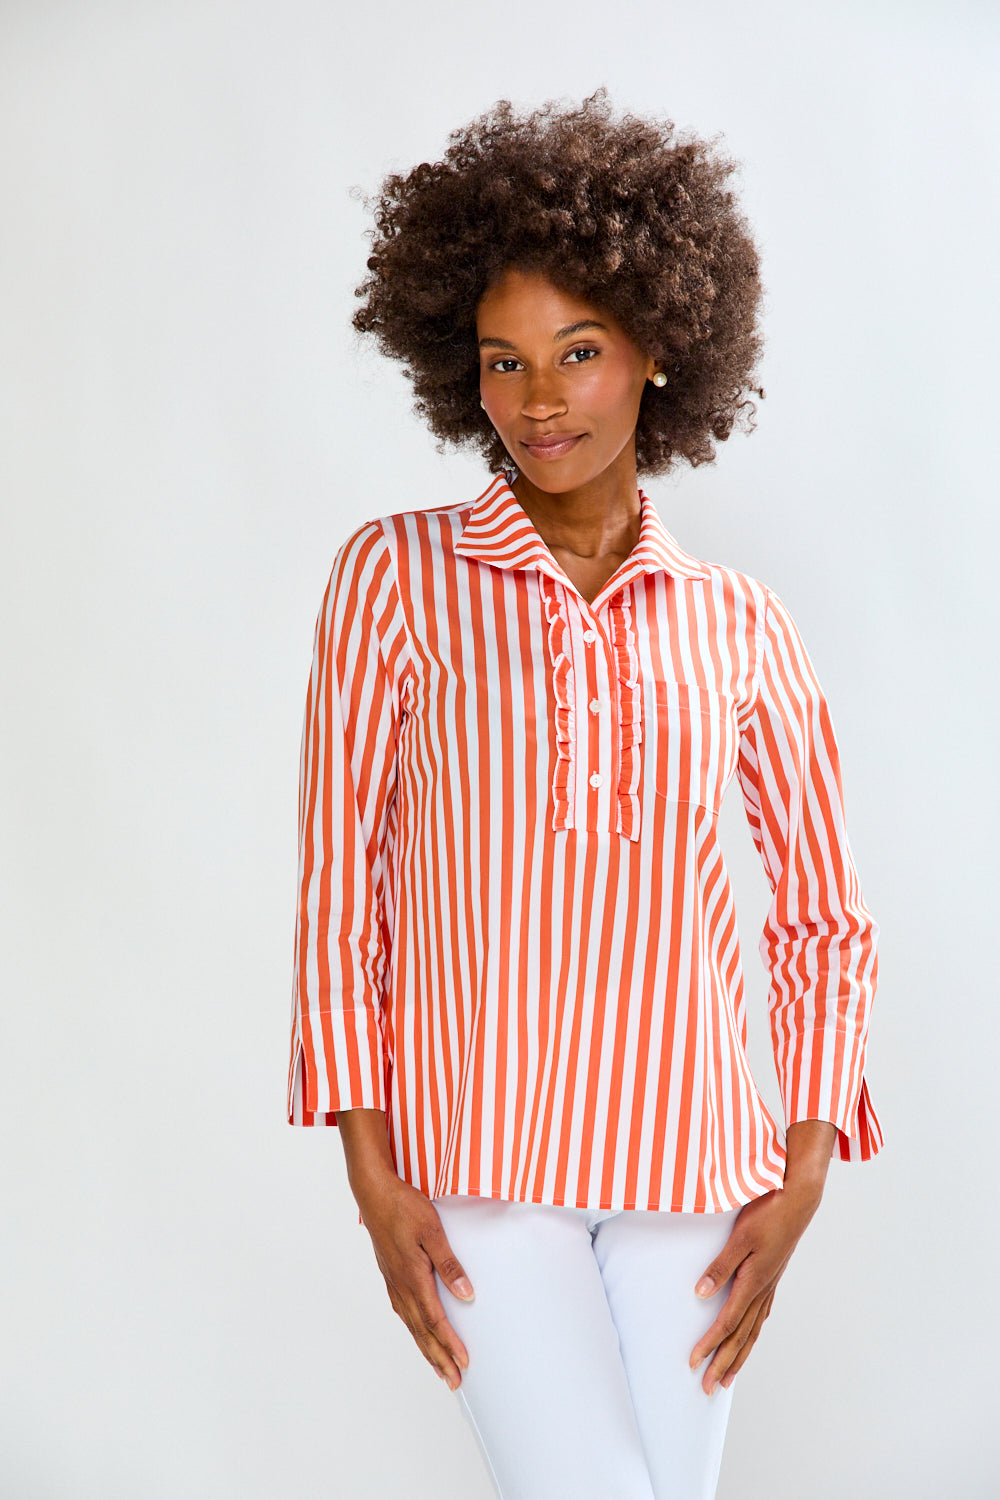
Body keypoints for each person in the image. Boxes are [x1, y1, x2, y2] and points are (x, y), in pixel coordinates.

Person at [286, 89, 881, 1500]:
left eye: (578, 352)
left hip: (699, 1167)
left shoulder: (741, 621)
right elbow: (340, 886)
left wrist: (802, 1168)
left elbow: (822, 913)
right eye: (502, 360)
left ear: (660, 352)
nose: (537, 399)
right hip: (473, 1165)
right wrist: (373, 1176)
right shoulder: (394, 577)